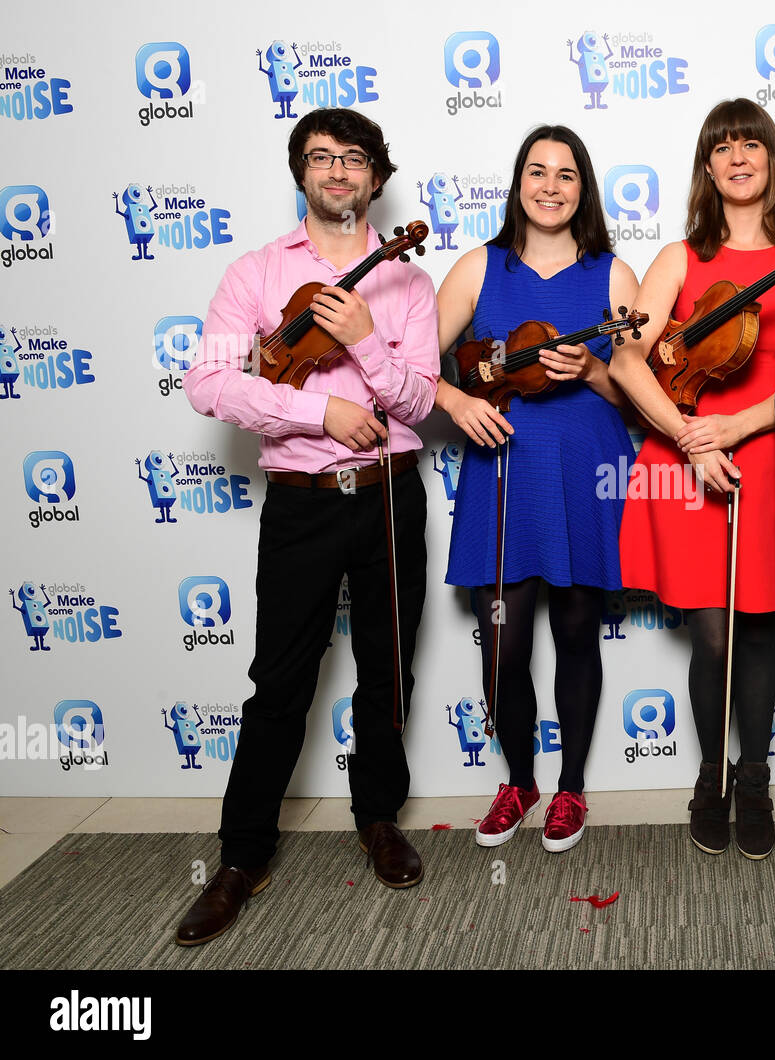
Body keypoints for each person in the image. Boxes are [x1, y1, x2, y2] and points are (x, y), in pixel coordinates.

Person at [177, 108, 437, 945]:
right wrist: (317, 409)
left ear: (375, 177)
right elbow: (209, 385)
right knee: (280, 680)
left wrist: (364, 344)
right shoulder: (254, 274)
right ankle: (241, 857)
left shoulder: (406, 282)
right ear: (301, 174)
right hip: (301, 502)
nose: (336, 172)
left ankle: (378, 819)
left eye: (353, 159)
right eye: (320, 158)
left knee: (385, 672)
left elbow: (421, 400)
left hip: (392, 495)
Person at [612, 99, 775, 861]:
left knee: (760, 627)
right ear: (707, 167)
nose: (738, 157)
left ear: (772, 160)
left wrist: (735, 428)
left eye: (752, 144)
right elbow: (627, 361)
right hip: (685, 460)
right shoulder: (679, 258)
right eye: (723, 147)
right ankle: (709, 776)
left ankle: (757, 778)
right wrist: (688, 437)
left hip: (769, 453)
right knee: (711, 636)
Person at [436, 125, 638, 853]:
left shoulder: (613, 276)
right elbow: (405, 361)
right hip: (504, 475)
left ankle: (571, 788)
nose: (550, 186)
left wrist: (589, 370)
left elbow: (641, 393)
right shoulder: (477, 269)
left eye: (566, 174)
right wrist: (457, 402)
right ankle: (518, 781)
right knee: (503, 645)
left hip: (587, 473)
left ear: (583, 189)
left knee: (578, 633)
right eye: (536, 171)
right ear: (517, 183)